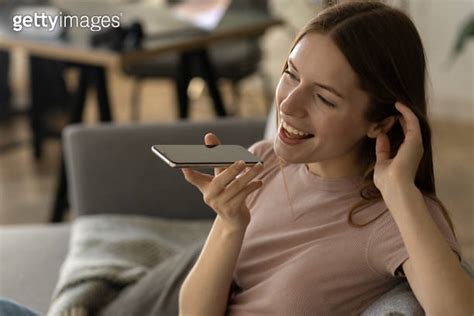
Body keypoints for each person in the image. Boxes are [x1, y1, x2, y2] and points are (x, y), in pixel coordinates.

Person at [179, 1, 474, 315]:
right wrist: (230, 223)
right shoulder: (262, 161)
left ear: (381, 123)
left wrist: (399, 189)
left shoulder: (394, 217)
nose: (289, 105)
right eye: (291, 74)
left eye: (323, 98)